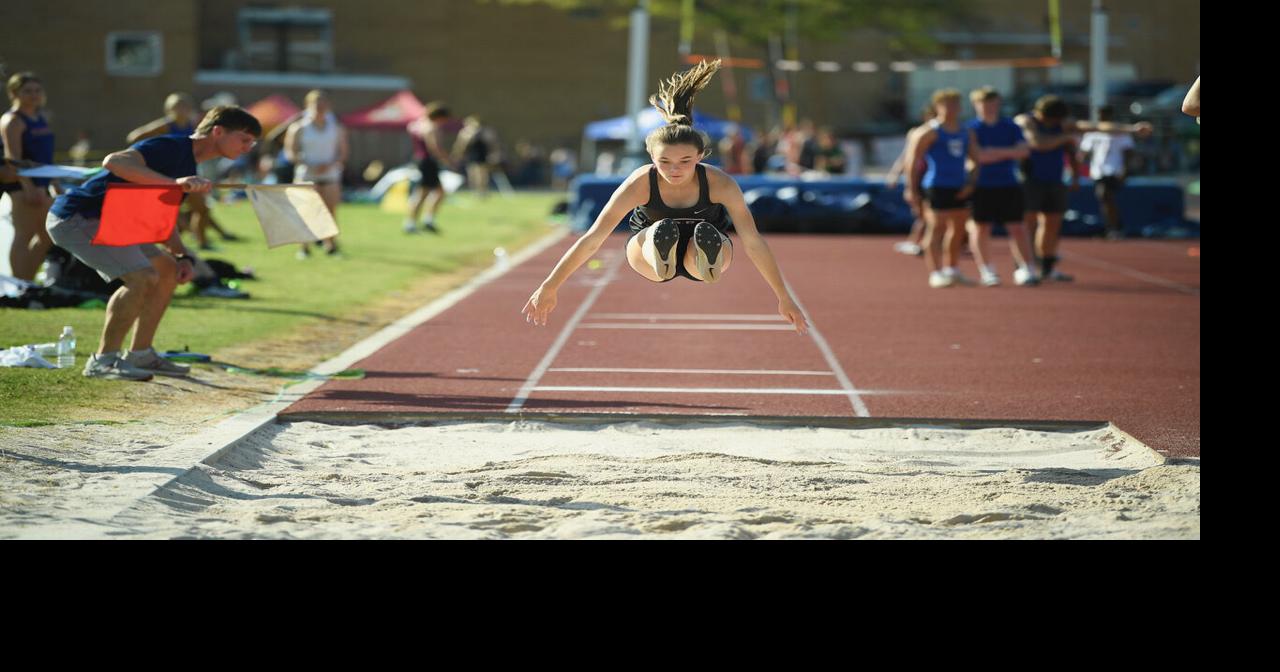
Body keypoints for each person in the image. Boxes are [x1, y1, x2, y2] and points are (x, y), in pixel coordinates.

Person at [521, 60, 809, 334]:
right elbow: (593, 237)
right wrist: (550, 285)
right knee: (656, 232)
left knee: (708, 241)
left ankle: (700, 254)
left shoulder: (719, 183)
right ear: (651, 157)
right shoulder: (640, 183)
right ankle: (661, 249)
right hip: (647, 257)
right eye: (665, 162)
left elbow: (753, 241)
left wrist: (783, 296)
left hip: (704, 253)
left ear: (700, 156)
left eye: (685, 161)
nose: (675, 170)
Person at [44, 105, 262, 381]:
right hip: (77, 217)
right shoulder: (171, 146)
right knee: (142, 277)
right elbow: (114, 161)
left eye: (252, 143)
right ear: (218, 131)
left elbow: (160, 220)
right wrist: (173, 183)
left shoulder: (190, 165)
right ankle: (103, 362)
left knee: (167, 269)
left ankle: (141, 354)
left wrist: (183, 256)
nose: (248, 148)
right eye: (244, 139)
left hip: (115, 220)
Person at [1016, 96, 1151, 281]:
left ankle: (1047, 267)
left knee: (1051, 223)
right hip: (1030, 180)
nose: (1054, 124)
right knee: (1027, 224)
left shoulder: (1063, 124)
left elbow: (1097, 127)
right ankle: (1025, 265)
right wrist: (1066, 137)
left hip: (1054, 179)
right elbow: (1037, 143)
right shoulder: (1026, 121)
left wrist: (1132, 129)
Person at [128, 92, 239, 250]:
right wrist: (153, 152)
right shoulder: (166, 125)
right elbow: (133, 137)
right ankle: (174, 246)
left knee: (202, 209)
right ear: (169, 109)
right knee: (170, 214)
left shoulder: (194, 125)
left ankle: (202, 243)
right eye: (177, 106)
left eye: (184, 106)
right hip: (168, 175)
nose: (181, 109)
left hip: (188, 172)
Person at [906, 89, 980, 288]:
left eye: (955, 104)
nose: (951, 109)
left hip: (959, 185)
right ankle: (935, 272)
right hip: (937, 185)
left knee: (958, 228)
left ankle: (952, 269)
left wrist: (970, 182)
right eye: (946, 104)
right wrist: (911, 189)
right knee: (936, 227)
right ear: (937, 107)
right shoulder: (928, 132)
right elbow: (912, 162)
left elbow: (974, 159)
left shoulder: (966, 132)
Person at [966, 87, 1034, 286]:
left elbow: (1024, 151)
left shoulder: (1011, 126)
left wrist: (992, 152)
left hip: (1008, 183)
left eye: (993, 103)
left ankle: (1026, 268)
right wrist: (1007, 152)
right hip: (981, 184)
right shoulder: (970, 128)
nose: (989, 107)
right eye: (984, 103)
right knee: (981, 228)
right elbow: (978, 156)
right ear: (976, 105)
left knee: (1017, 227)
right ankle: (987, 270)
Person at [1, 72, 55, 281]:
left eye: (37, 90)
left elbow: (45, 156)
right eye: (27, 91)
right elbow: (13, 158)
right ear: (14, 94)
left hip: (42, 184)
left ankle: (27, 281)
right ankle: (19, 284)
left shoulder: (40, 117)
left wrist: (55, 183)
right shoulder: (13, 120)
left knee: (47, 235)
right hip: (22, 186)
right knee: (24, 234)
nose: (34, 95)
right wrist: (28, 187)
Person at [284, 89, 347, 257]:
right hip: (306, 174)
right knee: (306, 211)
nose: (320, 108)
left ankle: (330, 245)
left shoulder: (336, 128)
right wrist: (307, 164)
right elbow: (290, 152)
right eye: (316, 105)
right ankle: (304, 247)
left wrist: (330, 165)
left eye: (323, 104)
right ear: (308, 106)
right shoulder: (299, 127)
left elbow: (342, 153)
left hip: (330, 175)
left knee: (330, 211)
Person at [1078, 106, 1136, 241]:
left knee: (1104, 194)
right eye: (1100, 115)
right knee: (1105, 199)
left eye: (1104, 115)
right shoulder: (1093, 133)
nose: (1101, 118)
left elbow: (1128, 152)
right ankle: (1112, 226)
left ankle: (1114, 227)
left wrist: (1125, 170)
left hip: (1114, 170)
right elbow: (1084, 152)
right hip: (1098, 171)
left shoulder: (1120, 132)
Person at [886, 105, 935, 257]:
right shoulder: (917, 134)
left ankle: (924, 242)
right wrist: (895, 174)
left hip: (936, 180)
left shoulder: (948, 133)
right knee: (922, 213)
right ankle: (917, 242)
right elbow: (906, 157)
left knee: (932, 214)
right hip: (920, 177)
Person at [405, 102, 460, 234]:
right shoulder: (431, 127)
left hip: (421, 160)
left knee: (439, 192)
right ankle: (411, 224)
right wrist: (448, 161)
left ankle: (427, 221)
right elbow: (434, 147)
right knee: (422, 194)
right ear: (439, 116)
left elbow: (411, 128)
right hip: (428, 162)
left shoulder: (418, 124)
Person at [452, 115, 500, 199]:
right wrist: (457, 154)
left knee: (482, 174)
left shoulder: (484, 132)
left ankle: (482, 191)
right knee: (473, 174)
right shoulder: (465, 133)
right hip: (471, 155)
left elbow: (492, 143)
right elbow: (461, 145)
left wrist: (494, 154)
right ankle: (475, 191)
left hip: (482, 155)